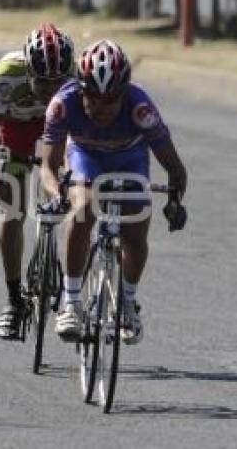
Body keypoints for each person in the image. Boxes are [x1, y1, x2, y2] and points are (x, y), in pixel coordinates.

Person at [40, 39, 188, 345]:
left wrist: (175, 202)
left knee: (135, 231)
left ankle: (128, 302)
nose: (101, 108)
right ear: (80, 90)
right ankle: (71, 302)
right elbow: (48, 167)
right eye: (92, 98)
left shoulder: (141, 108)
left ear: (124, 93)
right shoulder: (62, 105)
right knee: (83, 209)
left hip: (129, 159)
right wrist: (57, 194)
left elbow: (175, 168)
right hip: (85, 155)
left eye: (111, 100)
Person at [0, 23, 76, 340]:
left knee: (78, 197)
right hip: (18, 128)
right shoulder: (8, 74)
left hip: (60, 128)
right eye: (42, 82)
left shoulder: (76, 78)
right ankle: (13, 300)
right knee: (13, 210)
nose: (51, 89)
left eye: (57, 82)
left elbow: (81, 136)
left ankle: (72, 292)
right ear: (28, 69)